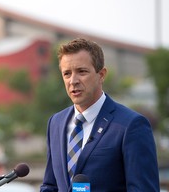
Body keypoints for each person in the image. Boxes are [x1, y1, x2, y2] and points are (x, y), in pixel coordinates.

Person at [40, 38, 160, 191]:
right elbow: (50, 185)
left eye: (82, 71)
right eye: (67, 74)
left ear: (101, 75)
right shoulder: (55, 123)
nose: (73, 81)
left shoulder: (131, 125)